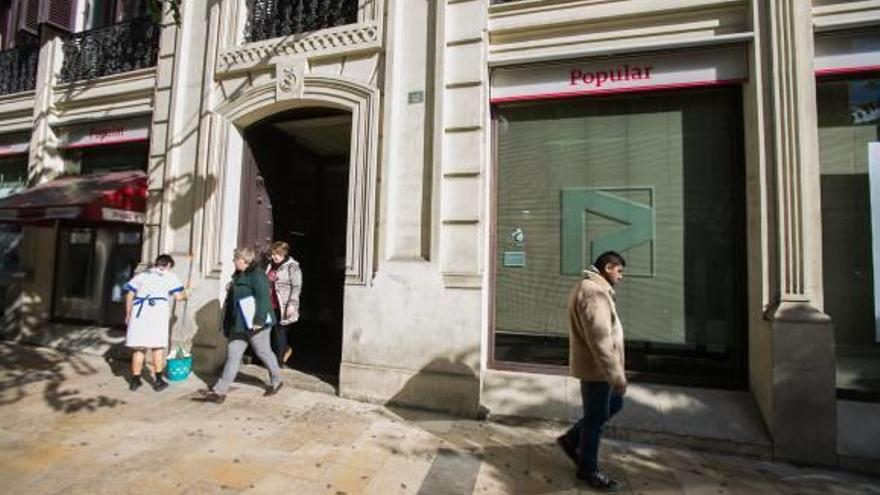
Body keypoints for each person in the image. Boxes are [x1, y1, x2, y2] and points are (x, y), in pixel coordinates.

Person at [557, 251, 627, 491]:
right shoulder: (593, 292)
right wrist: (615, 376)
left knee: (613, 406)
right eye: (619, 271)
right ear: (608, 267)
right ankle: (588, 470)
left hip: (600, 368)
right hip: (597, 369)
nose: (621, 276)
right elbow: (600, 340)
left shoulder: (595, 289)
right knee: (596, 420)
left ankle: (570, 440)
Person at [204, 247, 283, 403]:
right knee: (233, 355)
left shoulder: (258, 276)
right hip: (239, 324)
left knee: (263, 352)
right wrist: (230, 287)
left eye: (235, 259)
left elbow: (263, 299)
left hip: (255, 324)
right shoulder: (239, 274)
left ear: (244, 260)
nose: (233, 261)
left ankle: (277, 380)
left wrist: (258, 321)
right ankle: (220, 391)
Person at [124, 254, 187, 392]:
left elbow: (129, 294)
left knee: (139, 348)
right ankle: (158, 381)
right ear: (168, 265)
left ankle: (135, 381)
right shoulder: (169, 276)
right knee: (157, 347)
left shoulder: (141, 275)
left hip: (139, 313)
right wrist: (188, 292)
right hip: (156, 314)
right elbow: (179, 296)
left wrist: (128, 313)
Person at [265, 241, 302, 367]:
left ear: (285, 254)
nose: (275, 256)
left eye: (278, 254)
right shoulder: (269, 265)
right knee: (268, 331)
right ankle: (284, 350)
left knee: (279, 332)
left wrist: (292, 304)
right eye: (273, 253)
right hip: (269, 304)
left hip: (284, 305)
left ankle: (278, 361)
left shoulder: (292, 267)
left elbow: (296, 287)